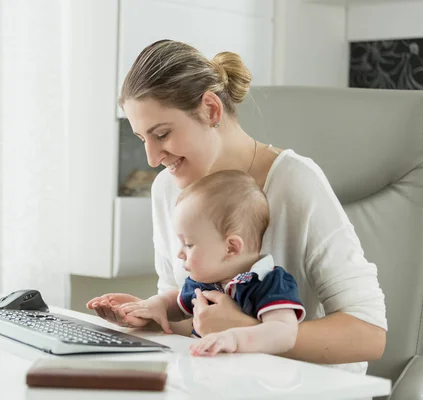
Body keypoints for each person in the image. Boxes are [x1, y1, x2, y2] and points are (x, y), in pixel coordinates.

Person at [87, 39, 387, 373]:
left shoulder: (294, 181)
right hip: (219, 381)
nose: (153, 158)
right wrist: (154, 316)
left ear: (211, 110)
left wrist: (246, 330)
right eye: (143, 139)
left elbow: (369, 335)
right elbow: (195, 318)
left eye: (162, 134)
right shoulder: (167, 189)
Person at [119, 169, 305, 357]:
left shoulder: (268, 281)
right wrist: (155, 306)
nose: (180, 254)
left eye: (189, 244)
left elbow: (285, 333)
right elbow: (178, 304)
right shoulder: (205, 279)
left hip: (251, 379)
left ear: (231, 248)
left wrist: (234, 338)